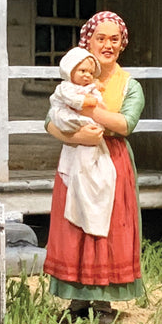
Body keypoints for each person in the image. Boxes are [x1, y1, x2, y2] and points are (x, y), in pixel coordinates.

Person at [44, 11, 145, 324]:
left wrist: (90, 109)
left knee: (108, 229)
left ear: (122, 45)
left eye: (114, 39)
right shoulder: (76, 78)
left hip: (111, 160)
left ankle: (103, 302)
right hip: (76, 158)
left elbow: (125, 124)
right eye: (100, 38)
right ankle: (76, 301)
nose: (108, 45)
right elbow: (50, 120)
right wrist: (74, 136)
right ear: (87, 41)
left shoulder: (129, 85)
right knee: (76, 228)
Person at [48, 47, 116, 237]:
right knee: (68, 121)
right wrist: (87, 102)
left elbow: (98, 97)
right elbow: (71, 100)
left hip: (93, 134)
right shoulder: (66, 87)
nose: (87, 75)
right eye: (82, 71)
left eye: (90, 72)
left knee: (98, 172)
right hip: (69, 118)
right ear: (70, 71)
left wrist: (96, 90)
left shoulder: (90, 86)